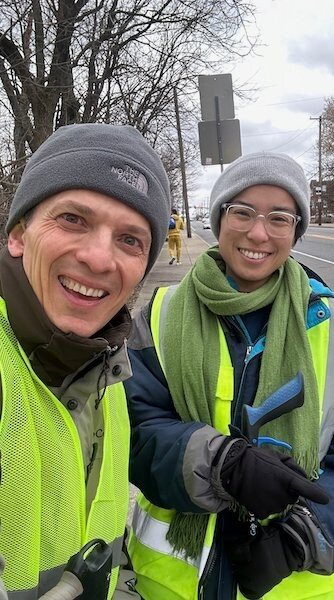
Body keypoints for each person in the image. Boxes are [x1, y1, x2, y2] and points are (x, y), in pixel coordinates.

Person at [125, 152, 334, 600]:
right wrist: (220, 463)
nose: (258, 233)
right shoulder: (161, 314)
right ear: (217, 219)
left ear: (296, 231)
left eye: (280, 218)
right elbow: (133, 427)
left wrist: (304, 537)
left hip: (293, 583)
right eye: (243, 212)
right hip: (171, 584)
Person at [0, 123, 171, 599]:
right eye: (73, 219)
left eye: (131, 240)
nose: (99, 259)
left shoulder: (105, 367)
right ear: (18, 234)